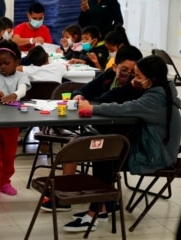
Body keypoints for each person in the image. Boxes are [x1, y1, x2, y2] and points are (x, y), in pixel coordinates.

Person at [63, 55, 181, 232]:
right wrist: (132, 86)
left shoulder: (155, 99)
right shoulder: (162, 91)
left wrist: (92, 108)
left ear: (152, 78)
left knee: (105, 156)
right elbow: (123, 103)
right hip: (153, 149)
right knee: (103, 152)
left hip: (155, 156)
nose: (135, 79)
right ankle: (100, 209)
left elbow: (126, 108)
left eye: (139, 76)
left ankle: (93, 213)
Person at [41, 45, 143, 212]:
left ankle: (102, 200)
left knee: (94, 145)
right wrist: (78, 95)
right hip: (102, 129)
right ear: (115, 66)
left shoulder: (138, 87)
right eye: (124, 70)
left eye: (134, 72)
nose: (129, 75)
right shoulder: (109, 76)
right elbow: (84, 90)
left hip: (125, 138)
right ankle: (66, 196)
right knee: (74, 145)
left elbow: (106, 100)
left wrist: (129, 87)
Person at [0, 39, 31, 201]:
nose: (2, 67)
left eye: (6, 63)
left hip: (12, 123)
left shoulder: (21, 75)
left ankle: (5, 182)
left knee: (9, 155)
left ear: (17, 62)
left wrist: (14, 95)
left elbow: (23, 89)